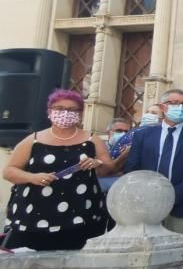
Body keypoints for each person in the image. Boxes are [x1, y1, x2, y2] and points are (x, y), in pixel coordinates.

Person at [3, 89, 111, 250]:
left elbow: (108, 168)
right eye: (59, 108)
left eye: (72, 109)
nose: (65, 113)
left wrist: (98, 163)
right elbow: (9, 171)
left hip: (81, 212)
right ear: (49, 111)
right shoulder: (33, 140)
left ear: (80, 114)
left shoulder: (92, 139)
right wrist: (32, 177)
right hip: (34, 214)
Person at [124, 88, 183, 243]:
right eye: (175, 103)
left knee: (180, 256)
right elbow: (132, 167)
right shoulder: (143, 135)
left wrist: (174, 194)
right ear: (163, 106)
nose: (181, 108)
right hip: (147, 205)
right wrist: (146, 193)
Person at [98, 117, 133, 195]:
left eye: (127, 132)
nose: (123, 134)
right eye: (119, 131)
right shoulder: (98, 147)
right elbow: (101, 173)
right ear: (108, 132)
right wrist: (123, 156)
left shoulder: (132, 149)